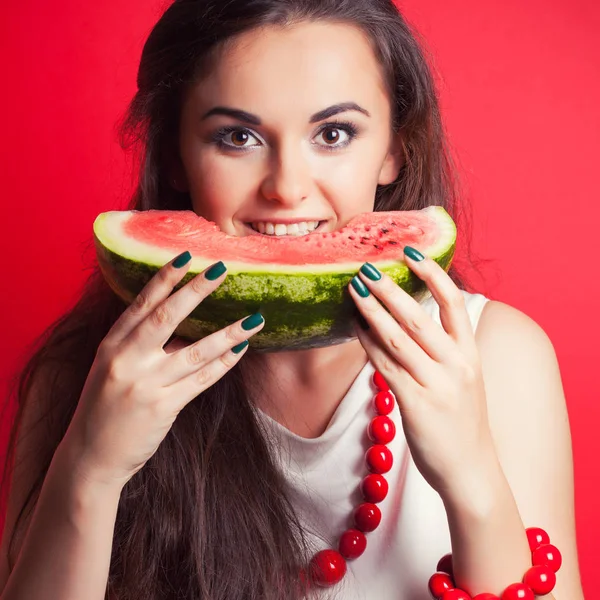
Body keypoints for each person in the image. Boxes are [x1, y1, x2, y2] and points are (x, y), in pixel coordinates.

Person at [0, 0, 585, 599]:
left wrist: (473, 479)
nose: (286, 188)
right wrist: (91, 472)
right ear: (176, 154)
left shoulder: (499, 355)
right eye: (237, 136)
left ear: (394, 150)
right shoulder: (86, 374)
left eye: (333, 134)